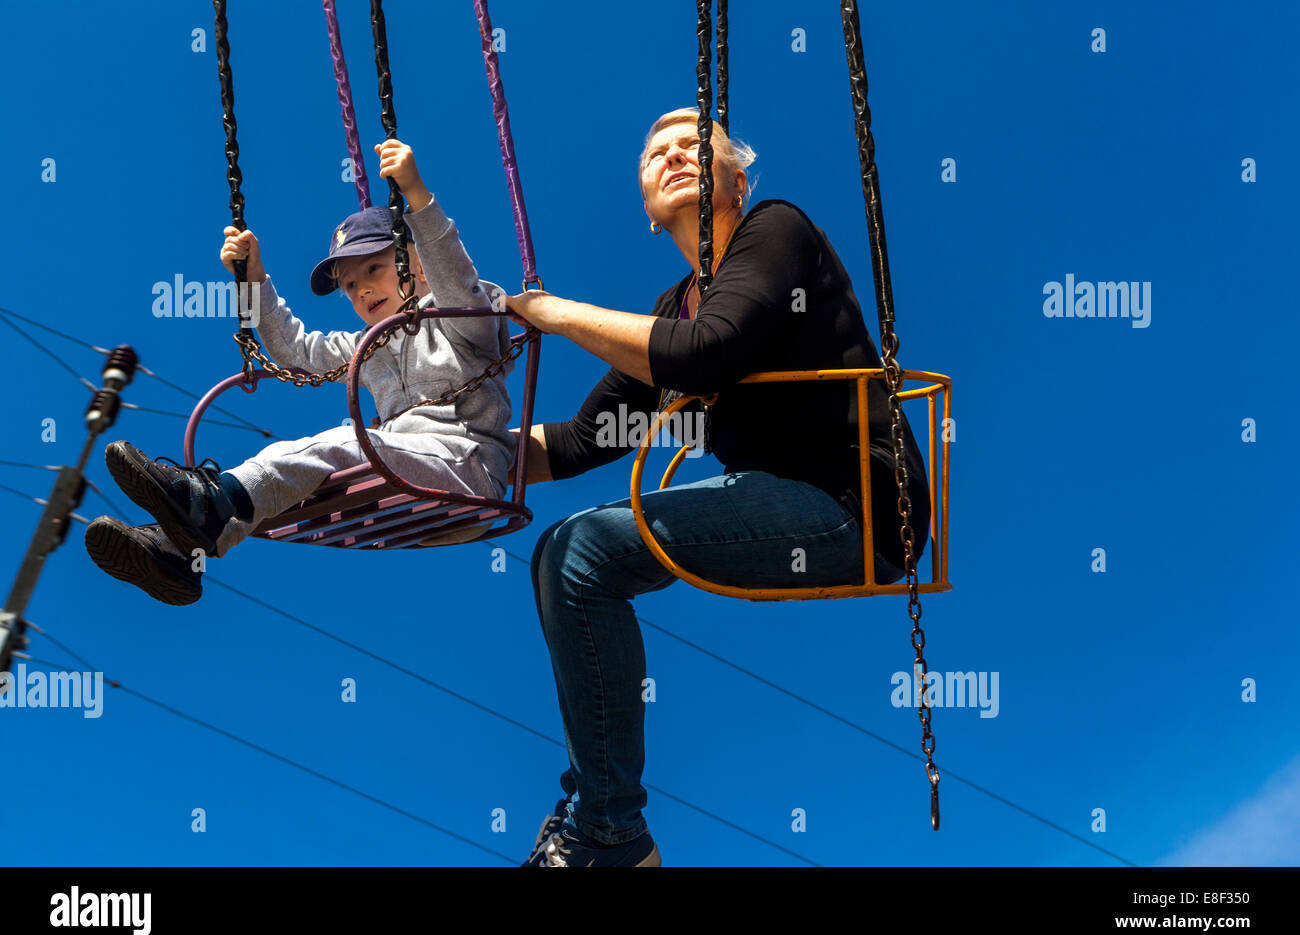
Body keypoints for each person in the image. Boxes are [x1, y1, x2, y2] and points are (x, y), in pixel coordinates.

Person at [504, 108, 932, 867]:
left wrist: (552, 312)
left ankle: (606, 832)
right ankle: (604, 823)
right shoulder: (673, 311)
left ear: (736, 179)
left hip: (853, 504)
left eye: (693, 148)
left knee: (580, 553)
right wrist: (428, 460)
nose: (672, 157)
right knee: (561, 555)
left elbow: (710, 351)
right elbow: (577, 442)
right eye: (655, 153)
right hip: (779, 493)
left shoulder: (777, 230)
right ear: (644, 207)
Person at [84, 139, 516, 605]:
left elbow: (456, 280)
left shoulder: (461, 321)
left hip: (465, 469)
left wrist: (416, 196)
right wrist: (254, 280)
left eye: (374, 268)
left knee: (343, 443)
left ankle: (201, 500)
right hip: (406, 471)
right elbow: (294, 350)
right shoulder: (365, 349)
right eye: (349, 285)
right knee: (294, 480)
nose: (363, 288)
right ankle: (173, 556)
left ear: (418, 268)